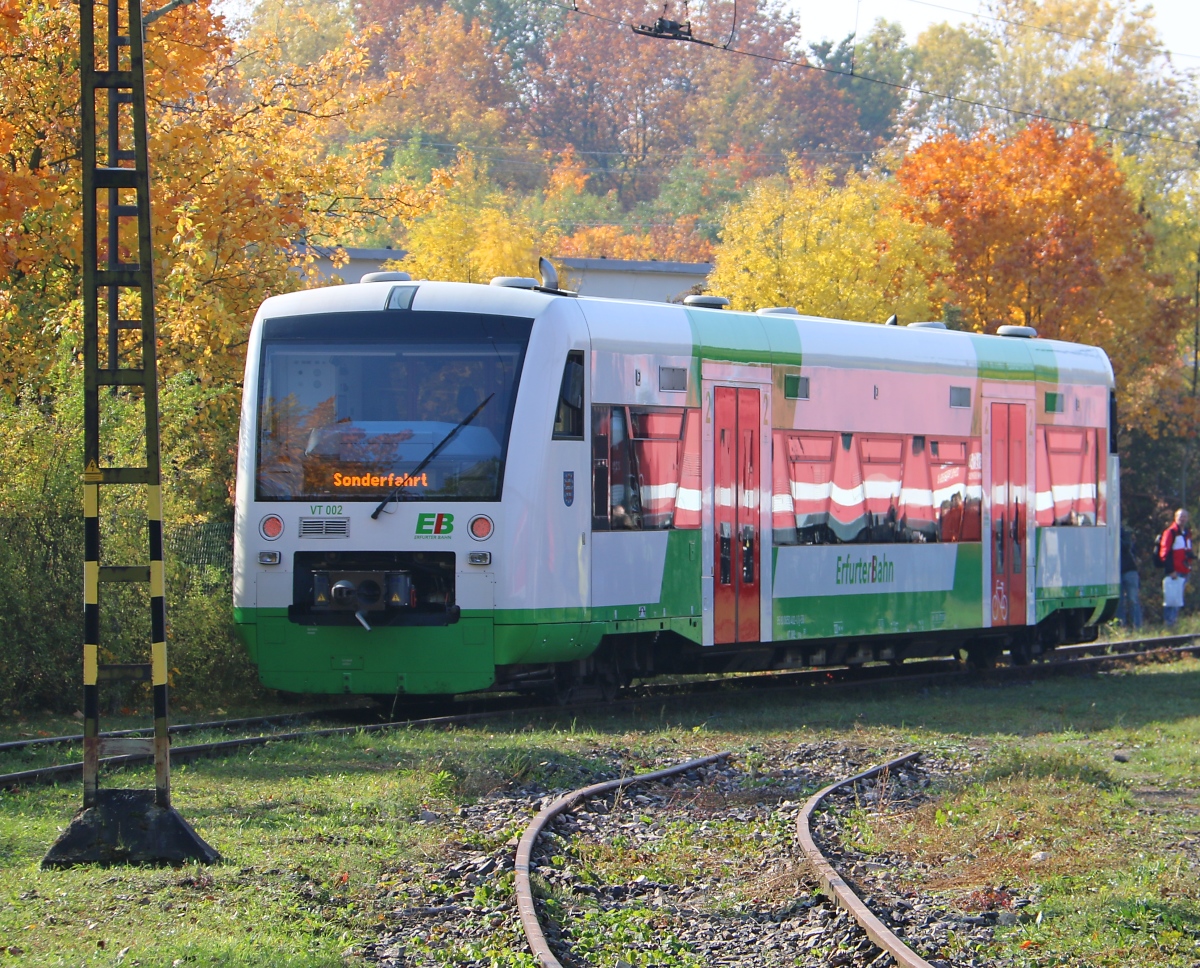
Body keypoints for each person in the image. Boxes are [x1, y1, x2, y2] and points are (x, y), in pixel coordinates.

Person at [1159, 508, 1194, 627]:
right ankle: (1169, 624)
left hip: (1184, 570)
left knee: (1178, 600)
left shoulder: (1187, 533)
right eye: (1180, 516)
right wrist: (1170, 570)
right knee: (1171, 599)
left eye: (1184, 516)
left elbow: (1187, 551)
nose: (1182, 519)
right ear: (1175, 517)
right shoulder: (1170, 532)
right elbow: (1165, 552)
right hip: (1175, 571)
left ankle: (1174, 623)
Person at [1116, 528, 1142, 629]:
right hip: (1115, 573)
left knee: (1133, 599)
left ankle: (1137, 626)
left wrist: (1116, 537)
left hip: (1129, 570)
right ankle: (1121, 627)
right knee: (1119, 602)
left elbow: (1126, 546)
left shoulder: (1124, 532)